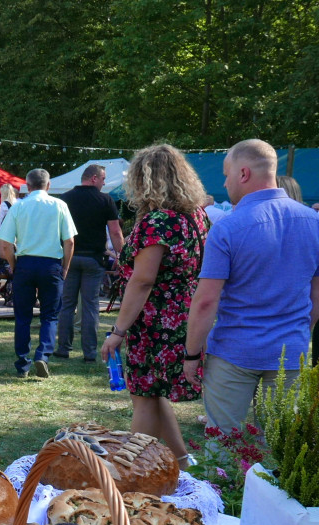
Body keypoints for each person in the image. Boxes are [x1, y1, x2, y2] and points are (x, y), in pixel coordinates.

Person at [183, 139, 319, 434]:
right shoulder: (314, 222)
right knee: (278, 450)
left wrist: (192, 354)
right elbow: (316, 295)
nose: (225, 181)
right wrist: (297, 334)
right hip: (290, 353)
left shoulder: (228, 227)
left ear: (243, 174)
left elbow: (206, 301)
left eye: (226, 173)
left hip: (234, 352)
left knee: (223, 446)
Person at [100, 144, 208, 469]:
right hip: (181, 314)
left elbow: (143, 281)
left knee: (144, 398)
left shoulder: (158, 222)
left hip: (156, 320)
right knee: (153, 391)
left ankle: (129, 473)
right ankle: (184, 461)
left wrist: (118, 330)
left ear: (145, 180)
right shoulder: (196, 215)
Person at [0, 168, 76, 378]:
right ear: (48, 186)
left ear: (27, 186)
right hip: (51, 264)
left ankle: (23, 363)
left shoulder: (18, 206)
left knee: (22, 316)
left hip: (25, 262)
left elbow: (4, 244)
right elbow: (69, 241)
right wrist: (65, 267)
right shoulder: (60, 205)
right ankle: (43, 354)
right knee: (50, 314)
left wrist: (14, 265)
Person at [55, 164, 125, 362]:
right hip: (94, 259)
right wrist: (123, 255)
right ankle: (90, 352)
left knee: (67, 304)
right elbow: (115, 232)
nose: (104, 182)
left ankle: (63, 348)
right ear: (94, 178)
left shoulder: (65, 199)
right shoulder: (105, 200)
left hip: (69, 257)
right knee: (90, 305)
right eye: (103, 179)